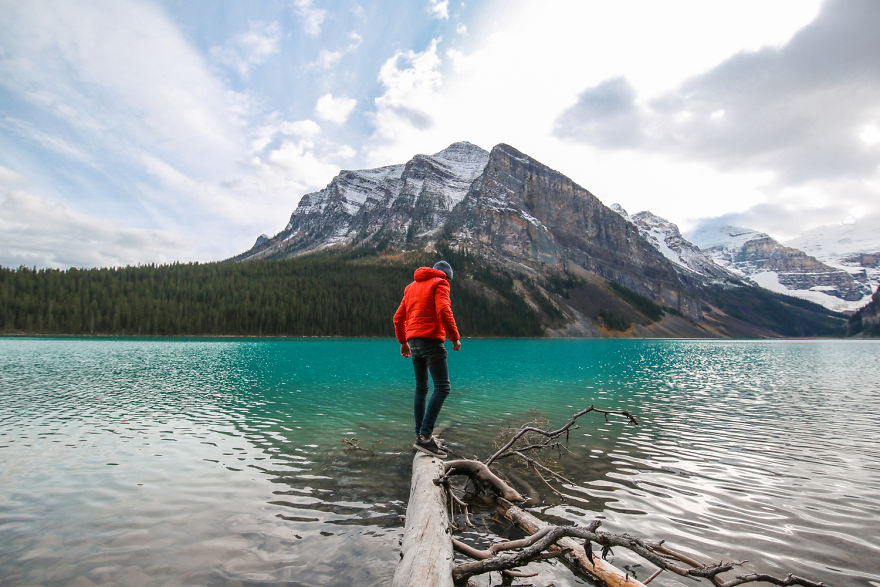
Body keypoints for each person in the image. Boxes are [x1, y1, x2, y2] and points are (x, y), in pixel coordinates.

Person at [393, 260, 461, 458]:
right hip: (431, 341)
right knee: (443, 387)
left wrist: (404, 342)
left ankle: (421, 435)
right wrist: (455, 338)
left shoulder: (411, 287)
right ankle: (425, 437)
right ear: (446, 276)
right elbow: (443, 310)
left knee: (422, 388)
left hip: (413, 342)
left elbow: (398, 318)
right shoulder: (441, 283)